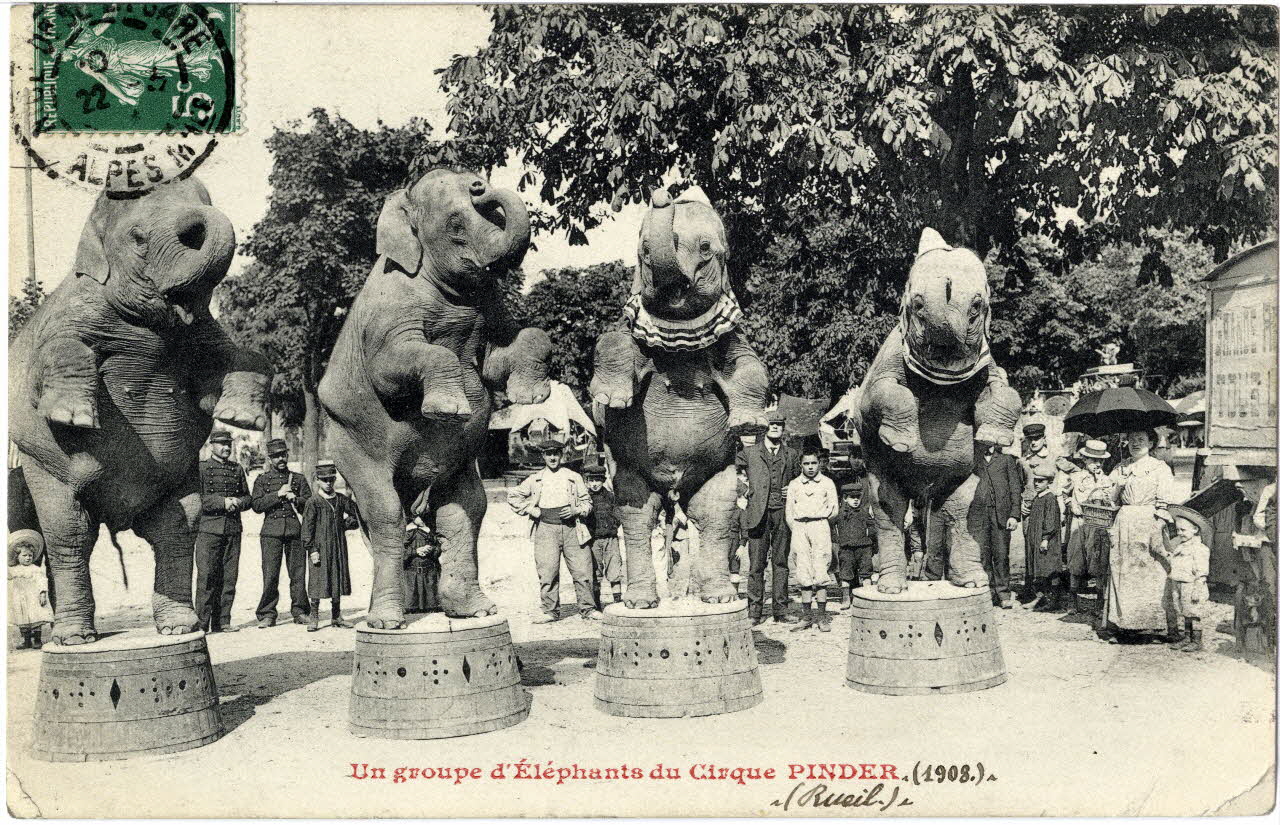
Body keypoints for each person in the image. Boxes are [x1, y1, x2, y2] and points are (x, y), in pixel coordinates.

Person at [506, 440, 596, 623]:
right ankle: (550, 611)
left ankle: (588, 609)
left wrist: (576, 510)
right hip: (546, 529)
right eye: (549, 454)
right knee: (548, 572)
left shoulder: (573, 477)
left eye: (556, 453)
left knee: (582, 571)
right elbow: (513, 496)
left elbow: (588, 503)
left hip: (573, 528)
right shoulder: (535, 479)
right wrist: (532, 510)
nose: (553, 457)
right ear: (543, 456)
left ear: (561, 455)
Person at [1103, 429, 1177, 643]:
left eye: (1141, 440)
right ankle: (1125, 624)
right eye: (1132, 440)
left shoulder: (1159, 468)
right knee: (1123, 571)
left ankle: (1153, 625)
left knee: (1151, 573)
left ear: (1151, 443)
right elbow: (1109, 499)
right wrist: (1119, 486)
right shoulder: (1121, 467)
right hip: (1124, 521)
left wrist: (1158, 526)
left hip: (1148, 521)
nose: (1135, 444)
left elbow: (1165, 503)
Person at [742, 413, 801, 626]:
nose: (775, 427)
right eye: (772, 424)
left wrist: (792, 490)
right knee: (756, 564)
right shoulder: (749, 453)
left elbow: (799, 480)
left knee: (781, 562)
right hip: (757, 512)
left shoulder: (792, 454)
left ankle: (781, 610)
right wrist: (746, 491)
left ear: (783, 428)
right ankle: (754, 612)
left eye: (779, 425)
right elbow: (734, 475)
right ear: (764, 428)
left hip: (782, 513)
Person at [250, 439, 312, 628]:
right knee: (270, 574)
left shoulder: (299, 478)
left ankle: (300, 611)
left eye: (283, 455)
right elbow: (257, 506)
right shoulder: (262, 480)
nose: (281, 459)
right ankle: (267, 614)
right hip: (271, 532)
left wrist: (297, 499)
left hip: (294, 531)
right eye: (276, 456)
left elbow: (309, 507)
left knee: (298, 574)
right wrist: (277, 495)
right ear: (270, 459)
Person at [195, 429, 252, 633]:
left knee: (229, 577)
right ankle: (202, 623)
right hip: (209, 529)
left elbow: (248, 498)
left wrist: (237, 502)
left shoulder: (237, 469)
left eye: (229, 444)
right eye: (222, 444)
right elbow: (198, 499)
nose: (226, 447)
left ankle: (222, 622)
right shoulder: (201, 469)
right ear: (212, 445)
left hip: (233, 530)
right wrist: (222, 502)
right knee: (207, 577)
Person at [301, 460, 360, 632]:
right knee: (318, 579)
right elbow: (307, 529)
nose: (328, 483)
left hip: (338, 545)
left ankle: (336, 616)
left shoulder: (341, 499)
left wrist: (344, 524)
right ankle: (314, 617)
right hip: (319, 547)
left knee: (337, 577)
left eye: (331, 480)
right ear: (317, 480)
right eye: (324, 480)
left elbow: (356, 514)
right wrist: (311, 549)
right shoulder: (313, 502)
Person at [785, 450, 839, 632]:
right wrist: (799, 528)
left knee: (821, 569)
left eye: (813, 463)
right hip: (800, 527)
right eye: (806, 464)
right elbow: (789, 513)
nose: (810, 467)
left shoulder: (827, 483)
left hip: (820, 526)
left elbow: (834, 510)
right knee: (803, 570)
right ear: (801, 465)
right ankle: (806, 616)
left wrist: (820, 524)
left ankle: (822, 617)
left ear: (819, 464)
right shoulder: (794, 484)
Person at [969, 440, 1023, 609]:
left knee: (1001, 555)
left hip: (1001, 516)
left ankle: (1003, 594)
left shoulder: (1006, 460)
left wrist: (1014, 515)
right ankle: (988, 594)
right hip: (979, 516)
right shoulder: (973, 460)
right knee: (982, 556)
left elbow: (1015, 488)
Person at [1064, 440, 1116, 614]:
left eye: (1100, 461)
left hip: (1098, 524)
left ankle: (1100, 603)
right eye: (1093, 461)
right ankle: (1073, 600)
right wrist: (1070, 502)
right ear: (1084, 460)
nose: (1097, 464)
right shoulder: (1076, 477)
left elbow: (1112, 500)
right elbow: (1064, 493)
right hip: (1079, 522)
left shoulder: (1107, 480)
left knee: (1099, 560)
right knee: (1076, 559)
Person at [1157, 505, 1212, 652]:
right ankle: (1187, 637)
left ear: (1195, 530)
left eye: (1184, 530)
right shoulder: (1180, 546)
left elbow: (1202, 571)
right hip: (1179, 583)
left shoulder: (1199, 549)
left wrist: (1197, 588)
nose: (1180, 533)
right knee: (1184, 611)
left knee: (1194, 613)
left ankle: (1197, 641)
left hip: (1192, 585)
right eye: (1178, 530)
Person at [1023, 465, 1065, 611]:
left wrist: (1045, 538)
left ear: (1049, 482)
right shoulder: (1037, 498)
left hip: (1047, 541)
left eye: (1041, 481)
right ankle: (1039, 599)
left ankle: (1052, 601)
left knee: (1049, 569)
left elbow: (1051, 521)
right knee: (1039, 570)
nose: (1037, 484)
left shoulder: (1050, 499)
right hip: (1036, 540)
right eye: (1036, 481)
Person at [581, 463, 623, 606]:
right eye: (591, 480)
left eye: (597, 480)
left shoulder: (611, 497)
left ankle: (617, 601)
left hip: (611, 539)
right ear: (586, 481)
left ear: (603, 480)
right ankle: (597, 603)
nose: (594, 484)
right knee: (595, 571)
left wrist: (613, 525)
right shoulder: (585, 498)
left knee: (614, 569)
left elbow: (618, 514)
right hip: (594, 541)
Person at [832, 480, 875, 609]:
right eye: (852, 497)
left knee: (866, 573)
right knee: (845, 574)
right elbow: (831, 527)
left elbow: (872, 526)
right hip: (846, 549)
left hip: (864, 548)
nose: (855, 500)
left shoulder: (864, 512)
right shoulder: (840, 514)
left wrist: (869, 538)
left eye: (858, 497)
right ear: (845, 498)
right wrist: (838, 539)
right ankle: (845, 599)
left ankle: (868, 598)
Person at [9, 530, 52, 650]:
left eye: (30, 555)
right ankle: (26, 640)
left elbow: (42, 581)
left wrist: (42, 593)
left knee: (36, 617)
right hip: (19, 598)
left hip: (33, 597)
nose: (28, 558)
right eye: (24, 555)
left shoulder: (35, 569)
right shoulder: (14, 569)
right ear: (17, 556)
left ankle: (37, 639)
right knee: (22, 617)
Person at [403, 514, 441, 614]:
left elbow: (437, 547)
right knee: (411, 604)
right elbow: (401, 550)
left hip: (429, 571)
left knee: (431, 602)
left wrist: (430, 549)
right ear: (413, 518)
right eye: (419, 517)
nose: (422, 519)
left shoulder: (429, 531)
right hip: (412, 571)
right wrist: (416, 551)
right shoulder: (407, 533)